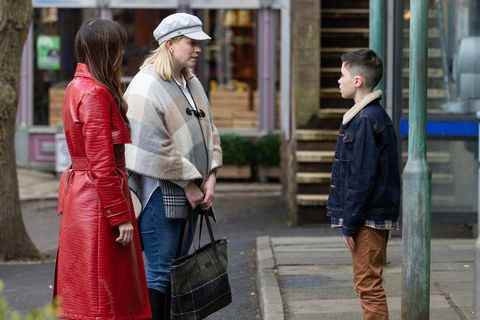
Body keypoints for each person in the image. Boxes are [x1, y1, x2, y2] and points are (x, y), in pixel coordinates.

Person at [124, 12, 223, 320]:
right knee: (161, 272)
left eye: (199, 43)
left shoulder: (189, 82)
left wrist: (211, 176)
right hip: (159, 195)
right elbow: (151, 144)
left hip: (192, 191)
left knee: (178, 270)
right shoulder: (146, 85)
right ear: (169, 44)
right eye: (191, 42)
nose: (198, 49)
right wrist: (190, 183)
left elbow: (210, 131)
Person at [54, 19, 151, 319]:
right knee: (104, 295)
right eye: (119, 47)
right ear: (108, 51)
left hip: (83, 198)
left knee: (87, 290)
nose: (122, 54)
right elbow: (102, 162)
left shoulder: (75, 87)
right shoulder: (95, 93)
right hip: (98, 202)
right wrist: (119, 216)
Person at [326, 49, 401, 320]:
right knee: (367, 283)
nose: (338, 80)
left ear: (357, 81)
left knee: (368, 285)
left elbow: (361, 178)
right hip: (369, 216)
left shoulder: (367, 120)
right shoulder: (365, 117)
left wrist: (350, 223)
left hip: (368, 218)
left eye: (342, 74)